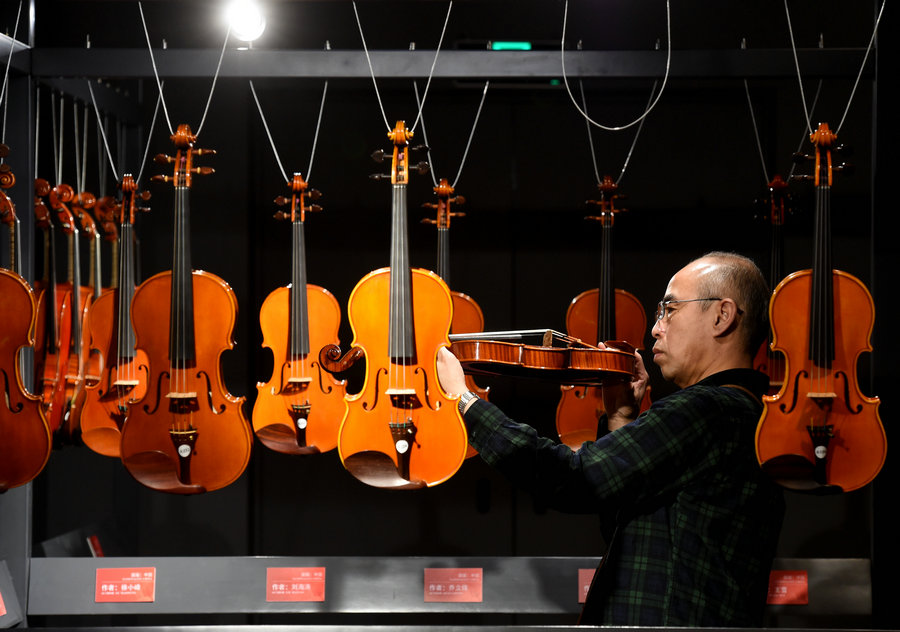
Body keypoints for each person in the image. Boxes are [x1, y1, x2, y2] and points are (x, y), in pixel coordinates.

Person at [437, 251, 786, 627]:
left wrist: (465, 401)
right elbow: (631, 524)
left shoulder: (708, 409)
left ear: (722, 315)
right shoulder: (748, 414)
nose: (656, 328)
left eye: (670, 310)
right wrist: (622, 417)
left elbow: (571, 478)